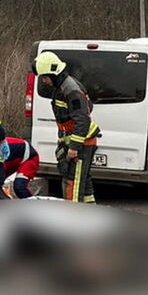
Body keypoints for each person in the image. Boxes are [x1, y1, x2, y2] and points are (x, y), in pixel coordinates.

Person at [33, 51, 101, 203]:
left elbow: (82, 119)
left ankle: (73, 218)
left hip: (81, 143)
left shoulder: (70, 89)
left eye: (44, 77)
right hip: (77, 140)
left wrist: (74, 147)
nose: (44, 81)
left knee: (73, 183)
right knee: (84, 183)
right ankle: (91, 214)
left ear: (53, 73)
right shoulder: (62, 86)